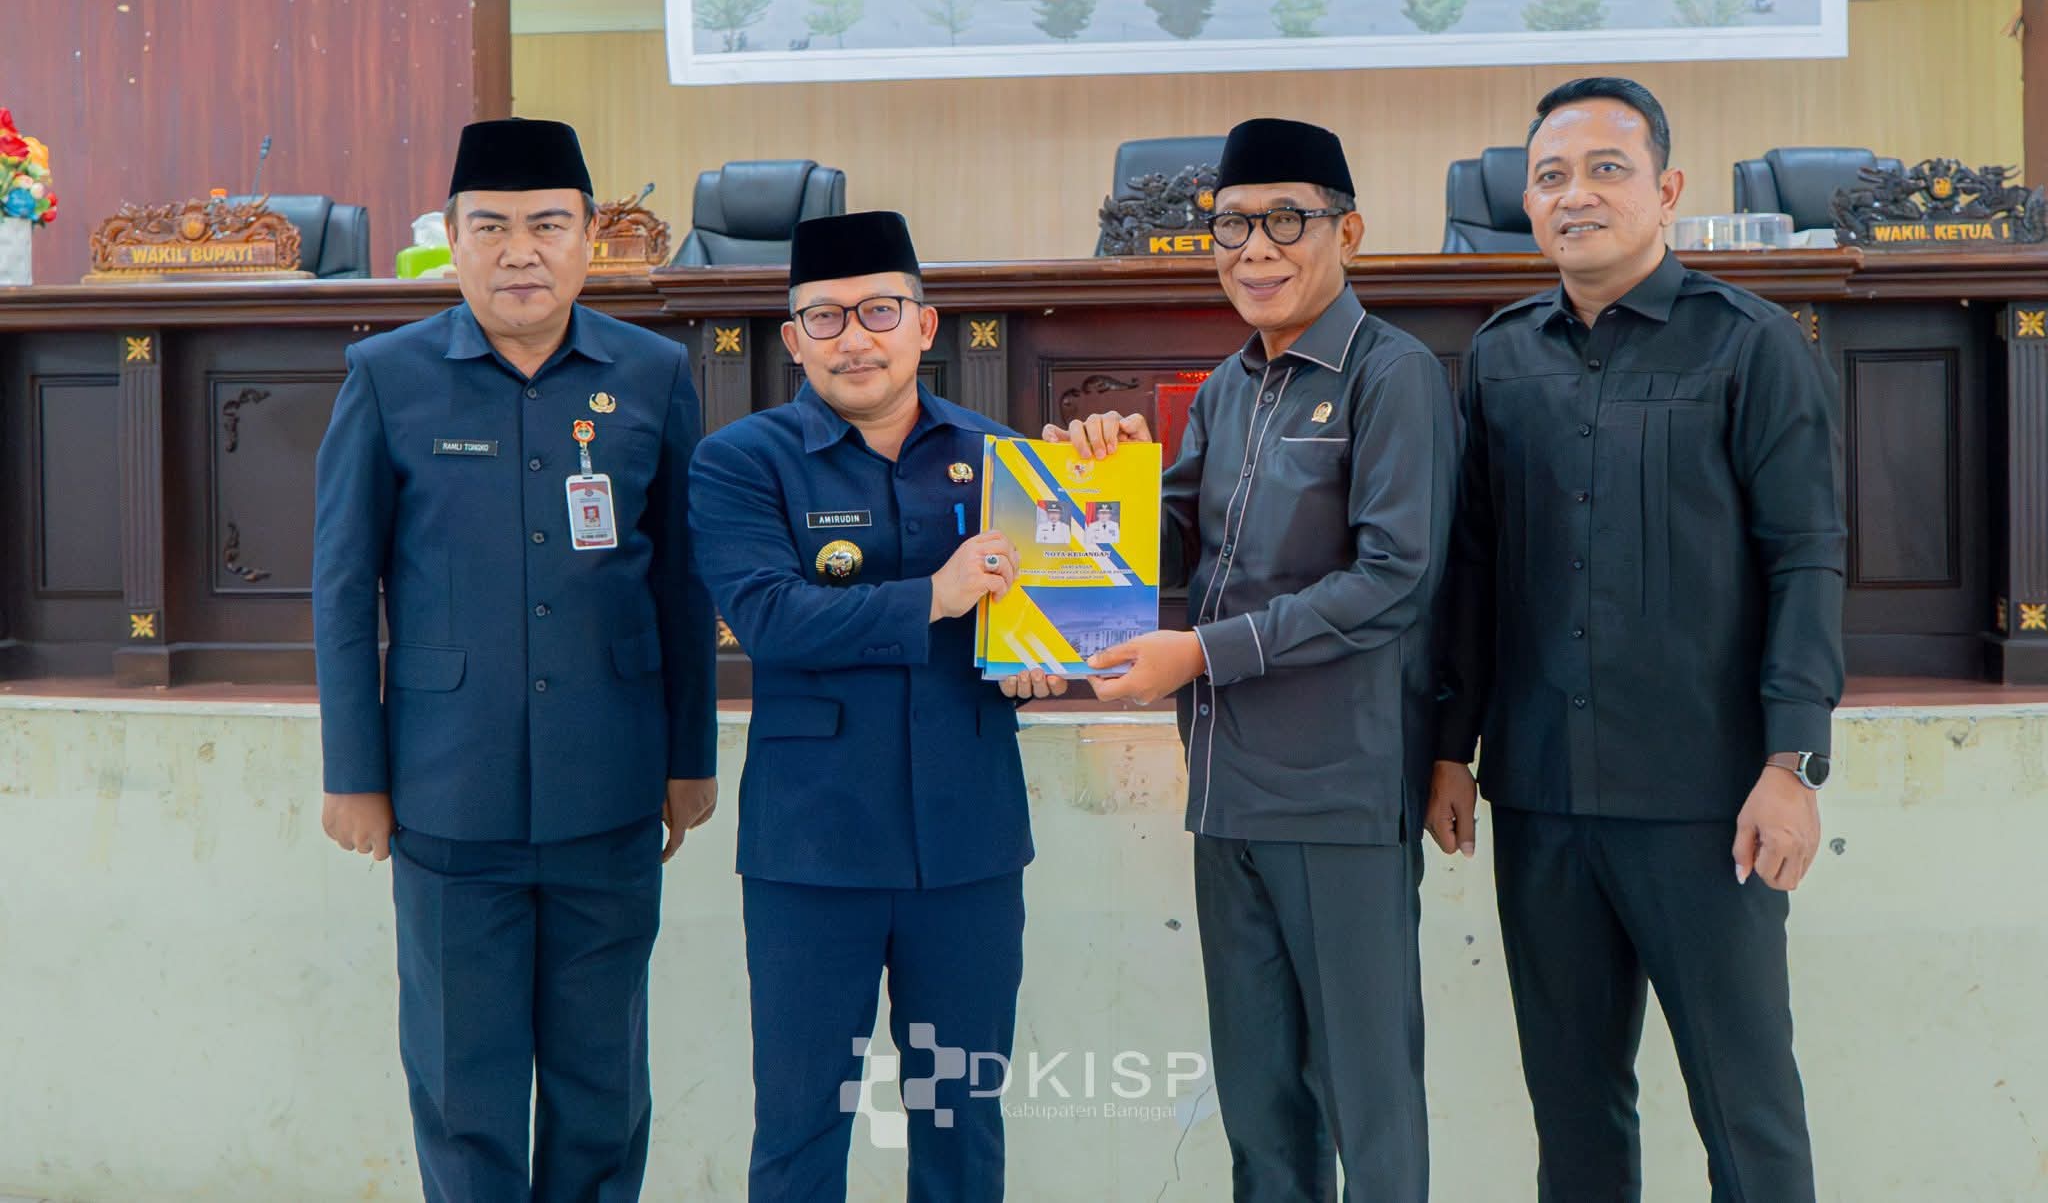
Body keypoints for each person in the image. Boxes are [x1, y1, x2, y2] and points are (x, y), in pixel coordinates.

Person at [1429, 76, 1842, 1202]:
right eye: (1550, 176)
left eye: (1605, 169)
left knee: (1745, 1108)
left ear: (1665, 191)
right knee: (1573, 1111)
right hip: (1543, 799)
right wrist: (1450, 747)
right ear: (1526, 204)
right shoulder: (1500, 356)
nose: (1575, 194)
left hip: (1708, 801)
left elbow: (1806, 558)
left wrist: (1792, 762)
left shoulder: (1752, 345)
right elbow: (1472, 571)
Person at [1051, 118, 1457, 1201]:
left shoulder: (1393, 376)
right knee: (1260, 1112)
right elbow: (1173, 540)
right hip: (1224, 794)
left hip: (1335, 793)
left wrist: (1200, 653)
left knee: (1367, 1105)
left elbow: (1392, 579)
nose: (1255, 249)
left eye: (1286, 220)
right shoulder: (1230, 385)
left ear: (1347, 232)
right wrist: (1096, 484)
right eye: (1232, 225)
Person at [313, 117, 717, 1202]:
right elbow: (345, 588)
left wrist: (690, 757)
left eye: (547, 224)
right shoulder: (387, 376)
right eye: (490, 227)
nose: (519, 251)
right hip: (448, 787)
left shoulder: (653, 373)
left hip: (611, 784)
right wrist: (353, 771)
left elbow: (683, 582)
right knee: (462, 1083)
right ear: (450, 240)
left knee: (602, 1084)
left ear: (590, 238)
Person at [689, 210, 1063, 1202]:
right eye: (825, 316)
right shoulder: (740, 461)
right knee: (801, 1122)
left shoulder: (1003, 458)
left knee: (961, 1121)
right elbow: (770, 618)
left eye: (879, 311)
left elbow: (1040, 620)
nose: (854, 337)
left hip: (969, 845)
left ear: (924, 325)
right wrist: (934, 596)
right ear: (792, 338)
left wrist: (1034, 658)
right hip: (812, 850)